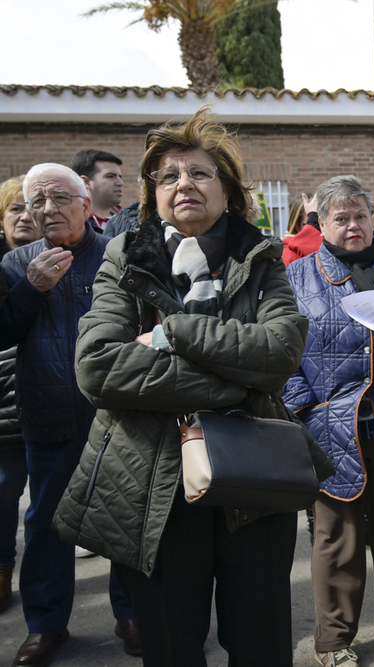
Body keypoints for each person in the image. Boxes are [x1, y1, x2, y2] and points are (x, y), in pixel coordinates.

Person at [52, 107, 334, 667]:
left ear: (227, 190)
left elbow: (278, 355)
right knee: (171, 645)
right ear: (152, 194)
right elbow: (99, 368)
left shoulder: (260, 257)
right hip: (149, 484)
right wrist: (232, 380)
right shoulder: (124, 256)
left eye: (200, 173)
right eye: (168, 177)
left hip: (254, 482)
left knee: (261, 644)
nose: (184, 184)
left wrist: (173, 331)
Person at [283, 175, 374, 666]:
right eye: (341, 219)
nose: (353, 227)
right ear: (321, 223)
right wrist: (304, 407)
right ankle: (335, 638)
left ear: (373, 218)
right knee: (335, 536)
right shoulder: (298, 276)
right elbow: (281, 353)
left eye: (360, 216)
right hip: (331, 423)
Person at [0, 163, 140, 663]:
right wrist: (28, 290)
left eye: (59, 197)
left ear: (86, 204)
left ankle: (132, 615)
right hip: (48, 414)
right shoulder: (17, 266)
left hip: (117, 414)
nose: (47, 208)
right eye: (36, 200)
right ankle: (45, 624)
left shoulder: (117, 256)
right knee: (47, 524)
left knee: (125, 515)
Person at [0, 175, 40, 615]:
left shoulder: (55, 259)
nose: (27, 216)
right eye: (15, 209)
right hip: (5, 412)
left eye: (31, 208)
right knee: (5, 496)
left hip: (49, 402)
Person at [71, 149, 124, 231]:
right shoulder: (70, 224)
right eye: (110, 176)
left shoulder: (133, 221)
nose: (120, 183)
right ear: (86, 182)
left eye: (119, 177)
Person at [283, 192, 323, 266]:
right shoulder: (290, 254)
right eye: (313, 223)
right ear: (297, 226)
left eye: (324, 221)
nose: (321, 228)